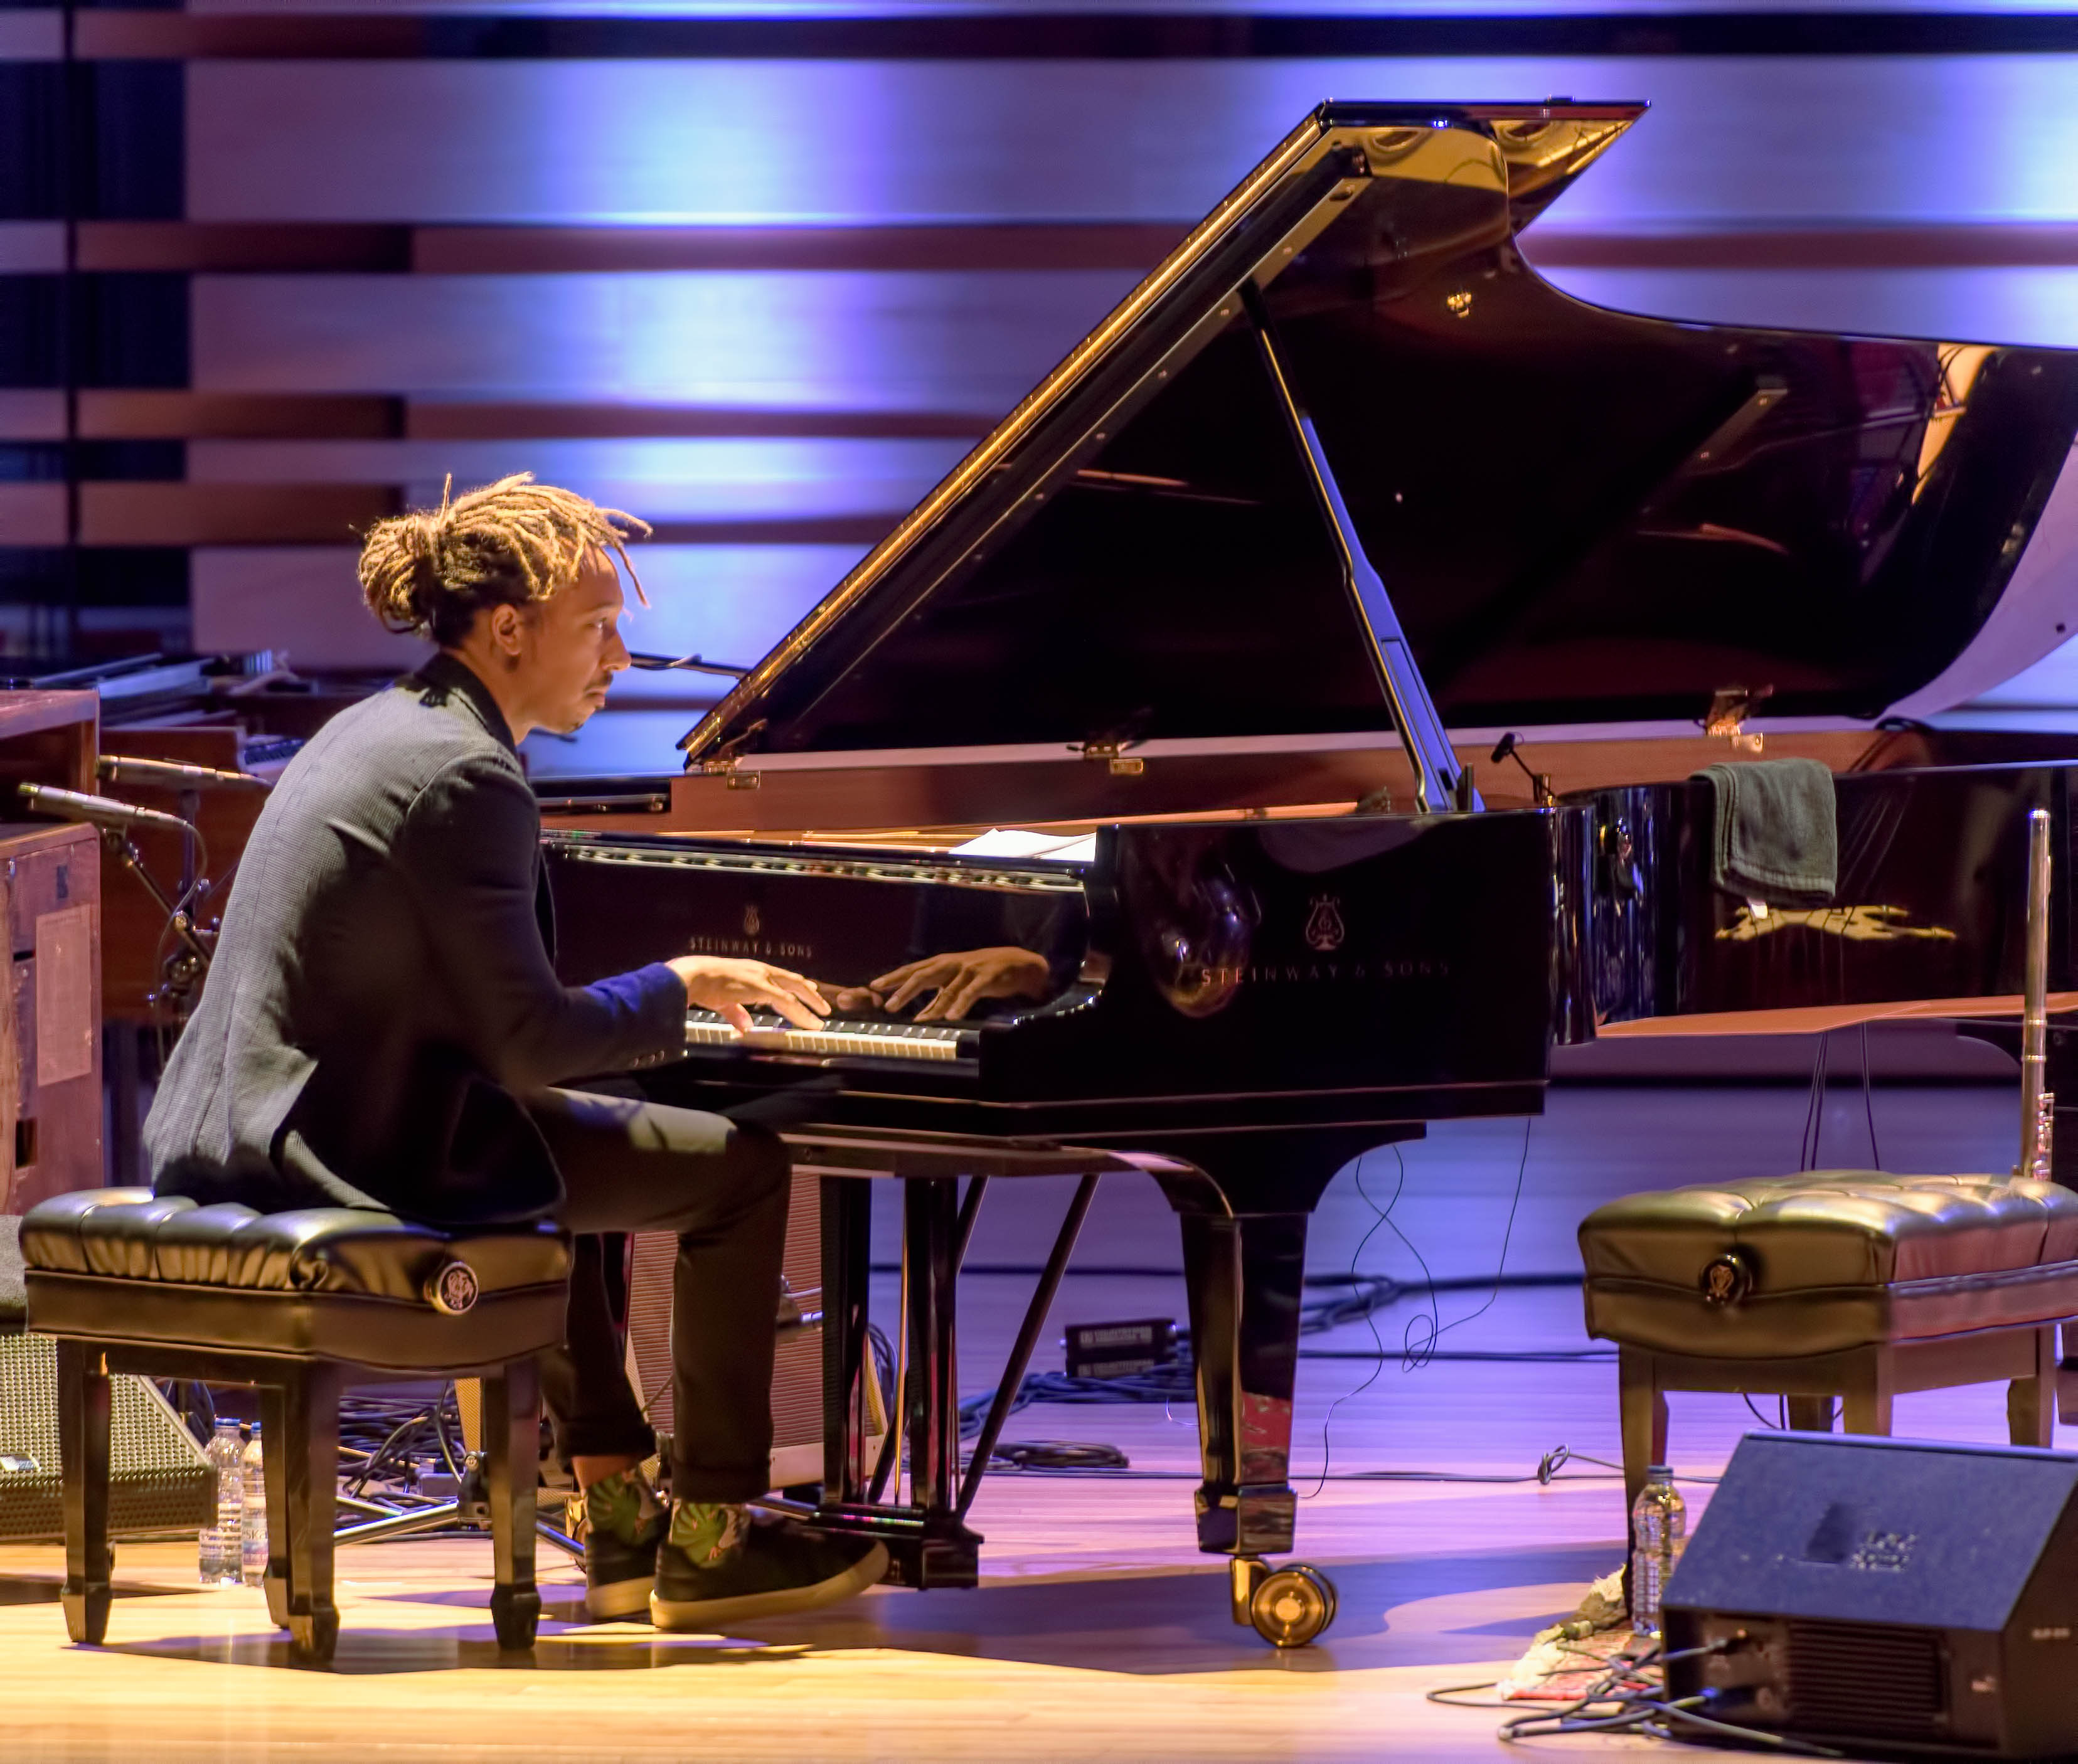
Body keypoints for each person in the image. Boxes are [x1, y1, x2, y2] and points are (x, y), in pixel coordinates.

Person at [143, 472, 886, 1627]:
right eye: (596, 627)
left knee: (556, 1150)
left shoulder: (383, 730)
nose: (619, 656)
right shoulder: (469, 775)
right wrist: (678, 987)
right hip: (342, 1155)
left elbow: (502, 1039)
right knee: (740, 1172)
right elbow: (532, 1039)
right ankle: (712, 1532)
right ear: (508, 631)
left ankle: (622, 1512)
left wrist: (633, 1022)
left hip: (271, 1122)